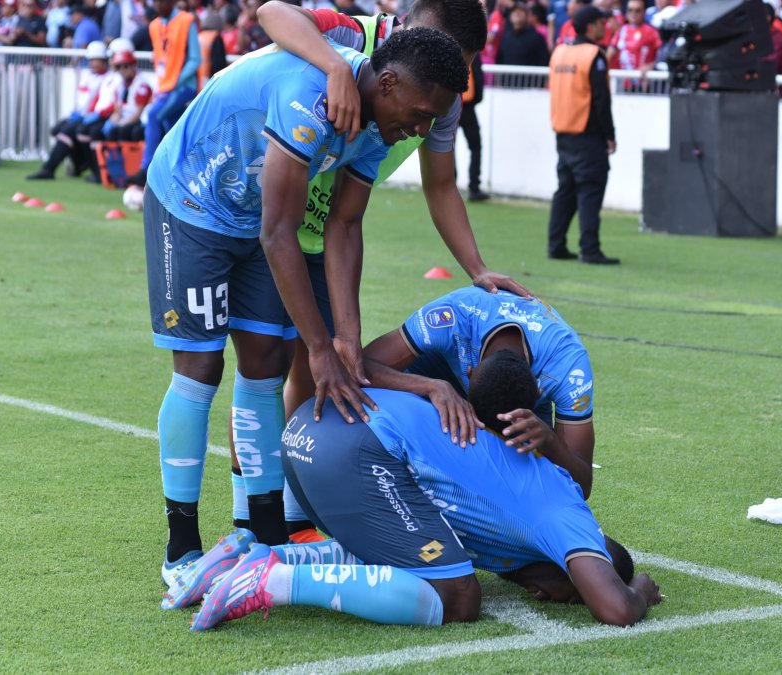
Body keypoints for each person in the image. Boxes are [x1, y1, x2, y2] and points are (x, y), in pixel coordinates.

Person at [144, 27, 469, 584]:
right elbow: (280, 233)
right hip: (192, 201)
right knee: (201, 367)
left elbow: (344, 225)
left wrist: (346, 337)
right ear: (388, 83)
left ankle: (266, 534)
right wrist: (319, 349)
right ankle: (182, 549)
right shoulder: (313, 99)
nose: (420, 130)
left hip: (254, 217)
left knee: (266, 361)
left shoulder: (378, 124)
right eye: (419, 114)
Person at [247, 0, 529, 541]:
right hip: (272, 216)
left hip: (329, 230)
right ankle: (252, 517)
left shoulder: (442, 96)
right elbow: (273, 11)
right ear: (412, 32)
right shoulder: (353, 40)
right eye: (450, 56)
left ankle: (296, 512)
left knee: (314, 368)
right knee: (263, 365)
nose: (454, 75)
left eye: (464, 64)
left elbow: (440, 184)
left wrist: (476, 268)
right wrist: (333, 66)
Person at [188, 380, 661, 630]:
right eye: (574, 590)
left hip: (310, 432)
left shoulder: (514, 528)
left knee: (417, 555)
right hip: (353, 443)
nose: (551, 597)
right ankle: (273, 580)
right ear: (580, 561)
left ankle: (254, 556)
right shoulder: (568, 517)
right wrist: (638, 589)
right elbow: (616, 609)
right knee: (457, 596)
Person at [362, 286, 597, 495]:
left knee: (544, 484)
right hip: (444, 365)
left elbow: (583, 485)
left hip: (520, 397)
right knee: (368, 394)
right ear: (469, 372)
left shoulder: (569, 366)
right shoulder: (454, 314)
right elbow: (357, 370)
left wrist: (549, 441)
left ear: (538, 393)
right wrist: (431, 386)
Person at [547, 6, 618, 265]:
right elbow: (601, 101)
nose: (604, 26)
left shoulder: (559, 52)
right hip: (587, 134)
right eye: (601, 22)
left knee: (565, 190)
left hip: (563, 131)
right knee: (590, 190)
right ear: (591, 26)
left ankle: (556, 245)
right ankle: (590, 249)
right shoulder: (593, 55)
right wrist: (610, 135)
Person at [126, 0, 199, 188]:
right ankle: (182, 173)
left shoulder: (186, 20)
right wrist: (163, 84)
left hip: (183, 86)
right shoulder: (154, 26)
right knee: (173, 127)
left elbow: (195, 59)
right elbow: (160, 58)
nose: (158, 5)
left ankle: (146, 169)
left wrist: (176, 81)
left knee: (153, 115)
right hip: (165, 87)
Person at [27, 40, 112, 180]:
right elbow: (81, 100)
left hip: (95, 117)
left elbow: (105, 103)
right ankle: (78, 164)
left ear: (104, 61)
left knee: (68, 131)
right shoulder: (88, 77)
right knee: (57, 129)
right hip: (83, 116)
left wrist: (89, 114)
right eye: (91, 60)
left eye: (96, 60)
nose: (93, 64)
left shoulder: (109, 78)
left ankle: (49, 168)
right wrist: (76, 112)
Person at [99, 41, 153, 142]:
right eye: (118, 67)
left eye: (125, 66)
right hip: (123, 119)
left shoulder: (141, 86)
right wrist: (114, 121)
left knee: (123, 131)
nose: (122, 70)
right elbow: (117, 110)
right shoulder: (119, 85)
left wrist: (121, 124)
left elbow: (137, 114)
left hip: (136, 121)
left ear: (133, 65)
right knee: (105, 131)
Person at [497, 1, 548, 86]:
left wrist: (539, 86)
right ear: (510, 16)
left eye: (521, 11)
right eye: (514, 11)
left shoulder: (537, 38)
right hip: (506, 87)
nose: (517, 13)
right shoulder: (505, 37)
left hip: (530, 88)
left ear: (527, 16)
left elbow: (543, 62)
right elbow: (499, 60)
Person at [460, 51, 486, 202]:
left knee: (447, 147)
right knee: (475, 146)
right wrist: (476, 100)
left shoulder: (446, 46)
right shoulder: (471, 51)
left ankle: (449, 185)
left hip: (449, 106)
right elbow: (479, 78)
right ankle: (474, 188)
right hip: (467, 107)